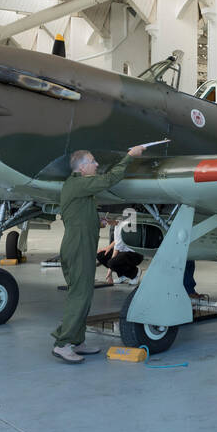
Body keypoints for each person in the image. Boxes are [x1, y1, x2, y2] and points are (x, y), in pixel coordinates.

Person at [51, 145, 145, 364]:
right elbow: (108, 180)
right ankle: (62, 344)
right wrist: (129, 157)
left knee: (83, 295)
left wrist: (98, 221)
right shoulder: (79, 183)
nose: (96, 164)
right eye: (93, 161)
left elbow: (77, 216)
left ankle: (77, 341)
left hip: (80, 244)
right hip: (79, 247)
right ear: (83, 167)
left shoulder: (79, 187)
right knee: (80, 296)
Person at [97, 216, 143, 284]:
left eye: (105, 220)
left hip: (135, 254)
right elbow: (117, 239)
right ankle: (122, 275)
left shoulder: (123, 226)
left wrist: (109, 274)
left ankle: (135, 273)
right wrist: (108, 247)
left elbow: (116, 251)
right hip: (124, 252)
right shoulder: (117, 224)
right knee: (101, 255)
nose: (105, 223)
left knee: (112, 263)